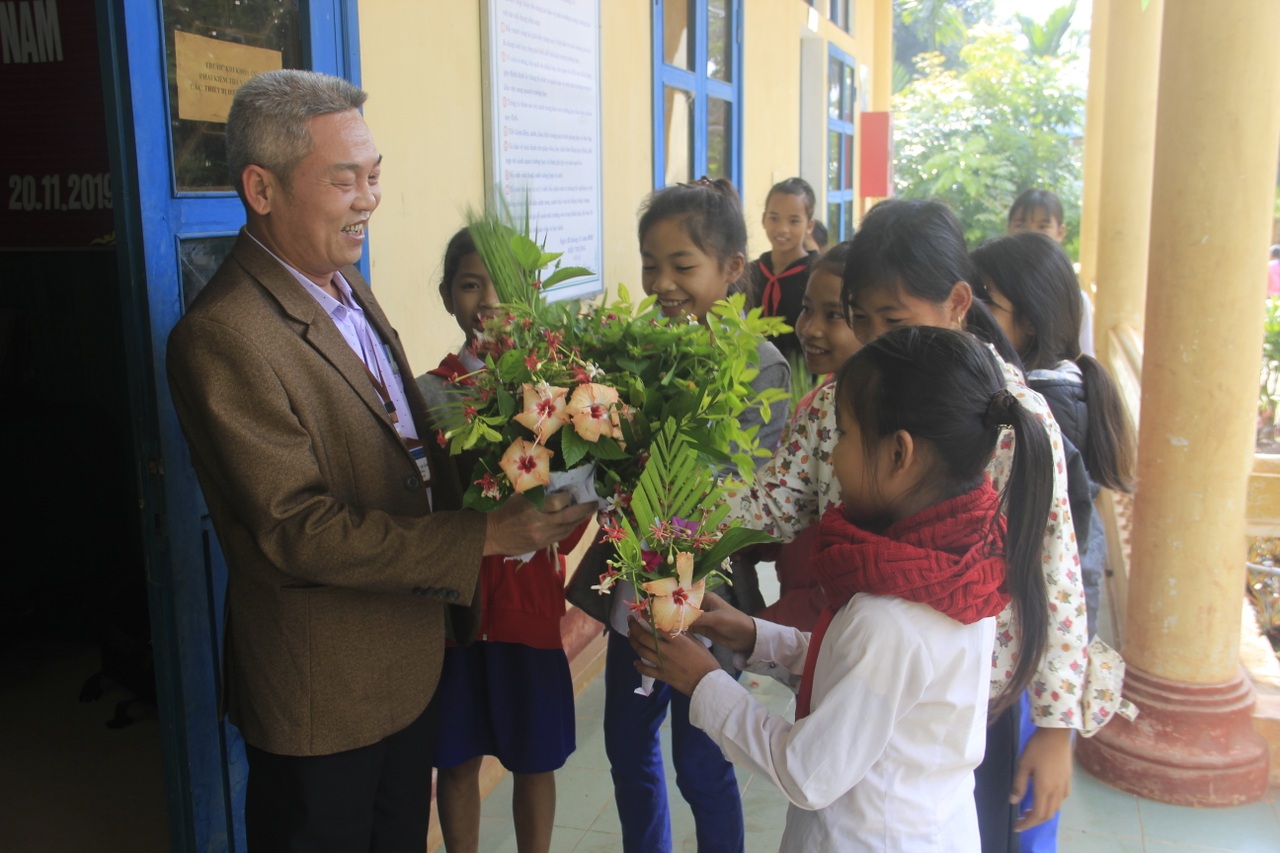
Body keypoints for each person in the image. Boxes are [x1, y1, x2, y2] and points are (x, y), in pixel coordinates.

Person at [165, 70, 596, 852]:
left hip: (408, 665)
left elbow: (407, 451)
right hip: (324, 698)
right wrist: (484, 535)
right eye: (344, 180)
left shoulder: (342, 283)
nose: (369, 199)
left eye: (374, 175)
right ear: (261, 188)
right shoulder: (224, 335)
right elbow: (297, 528)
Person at [725, 199, 1091, 853]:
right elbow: (772, 501)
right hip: (863, 668)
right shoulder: (844, 397)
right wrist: (673, 523)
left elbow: (1054, 568)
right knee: (853, 808)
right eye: (858, 318)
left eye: (893, 321)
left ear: (957, 303)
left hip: (973, 695)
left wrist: (1057, 727)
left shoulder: (1010, 415)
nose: (872, 341)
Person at [630, 325, 1056, 852]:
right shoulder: (963, 566)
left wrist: (705, 682)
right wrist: (756, 637)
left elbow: (807, 772)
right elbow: (870, 677)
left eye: (845, 436)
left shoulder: (890, 616)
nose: (832, 457)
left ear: (898, 454)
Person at [604, 177, 791, 853]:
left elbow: (743, 483)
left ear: (732, 267)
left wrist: (655, 477)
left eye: (682, 266)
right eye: (650, 265)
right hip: (636, 588)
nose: (662, 283)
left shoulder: (760, 364)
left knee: (703, 761)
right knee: (627, 747)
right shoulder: (639, 350)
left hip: (711, 594)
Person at [415, 227, 586, 853]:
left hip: (527, 607)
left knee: (534, 761)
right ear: (446, 296)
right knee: (456, 760)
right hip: (453, 613)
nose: (488, 301)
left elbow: (576, 502)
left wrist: (557, 524)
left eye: (504, 286)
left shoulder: (554, 395)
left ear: (531, 294)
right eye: (470, 285)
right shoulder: (429, 394)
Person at [971, 232, 1137, 853]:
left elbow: (1069, 567)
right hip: (1038, 659)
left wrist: (1054, 723)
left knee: (1018, 819)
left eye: (985, 302)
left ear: (1032, 321)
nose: (970, 315)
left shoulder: (1037, 409)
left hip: (1032, 662)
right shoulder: (1056, 391)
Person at [753, 242, 861, 632]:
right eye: (806, 309)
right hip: (797, 607)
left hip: (828, 623)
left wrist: (761, 631)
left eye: (834, 315)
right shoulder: (818, 402)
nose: (810, 328)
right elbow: (782, 505)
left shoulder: (871, 420)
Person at [1006, 188, 1094, 358]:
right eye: (1020, 225)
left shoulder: (1076, 300)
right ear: (1009, 228)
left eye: (1043, 226)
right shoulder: (994, 291)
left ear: (1060, 232)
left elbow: (1084, 357)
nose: (1031, 234)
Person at [749, 177, 819, 361]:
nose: (782, 229)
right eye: (774, 218)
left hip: (803, 373)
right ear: (764, 219)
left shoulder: (817, 276)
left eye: (794, 221)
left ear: (809, 225)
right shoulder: (749, 274)